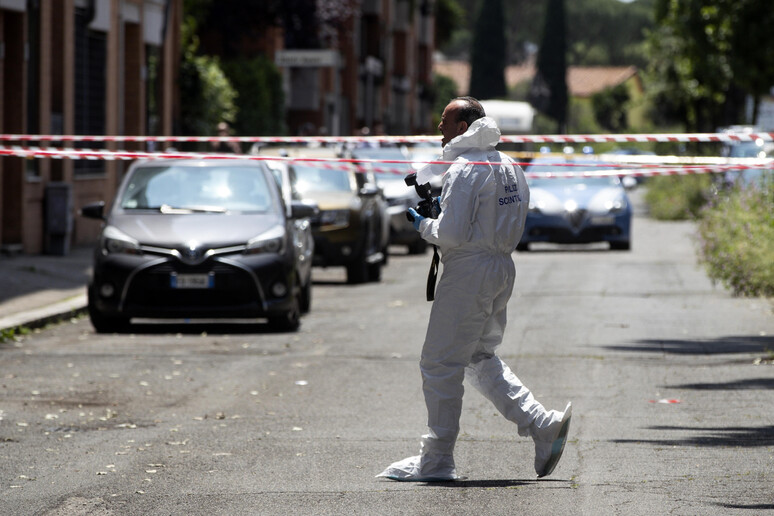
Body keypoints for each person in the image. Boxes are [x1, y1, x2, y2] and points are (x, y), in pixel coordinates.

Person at [376, 97, 572, 482]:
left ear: (464, 127)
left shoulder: (466, 168)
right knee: (479, 357)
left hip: (469, 271)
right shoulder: (509, 165)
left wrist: (424, 225)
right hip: (500, 267)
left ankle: (437, 460)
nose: (440, 129)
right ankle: (542, 424)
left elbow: (451, 234)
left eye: (445, 121)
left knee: (439, 363)